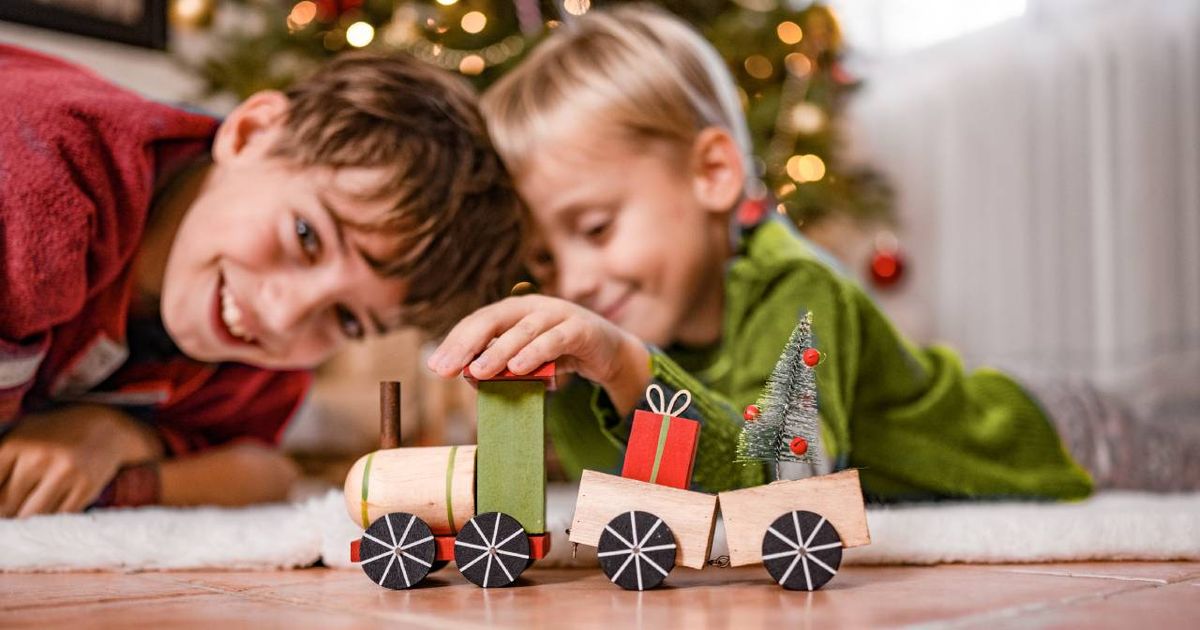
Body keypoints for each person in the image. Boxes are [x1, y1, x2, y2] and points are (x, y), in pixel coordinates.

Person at [429, 5, 1189, 500]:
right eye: (548, 261)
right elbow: (628, 487)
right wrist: (570, 382)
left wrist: (625, 363)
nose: (577, 281)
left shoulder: (796, 289)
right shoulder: (650, 325)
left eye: (593, 229)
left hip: (1050, 435)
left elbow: (782, 476)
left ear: (713, 173)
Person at [0, 45, 524, 517]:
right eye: (307, 236)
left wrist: (116, 437)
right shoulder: (43, 177)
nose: (283, 316)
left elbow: (264, 470)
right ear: (252, 133)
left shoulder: (258, 345)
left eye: (347, 317)